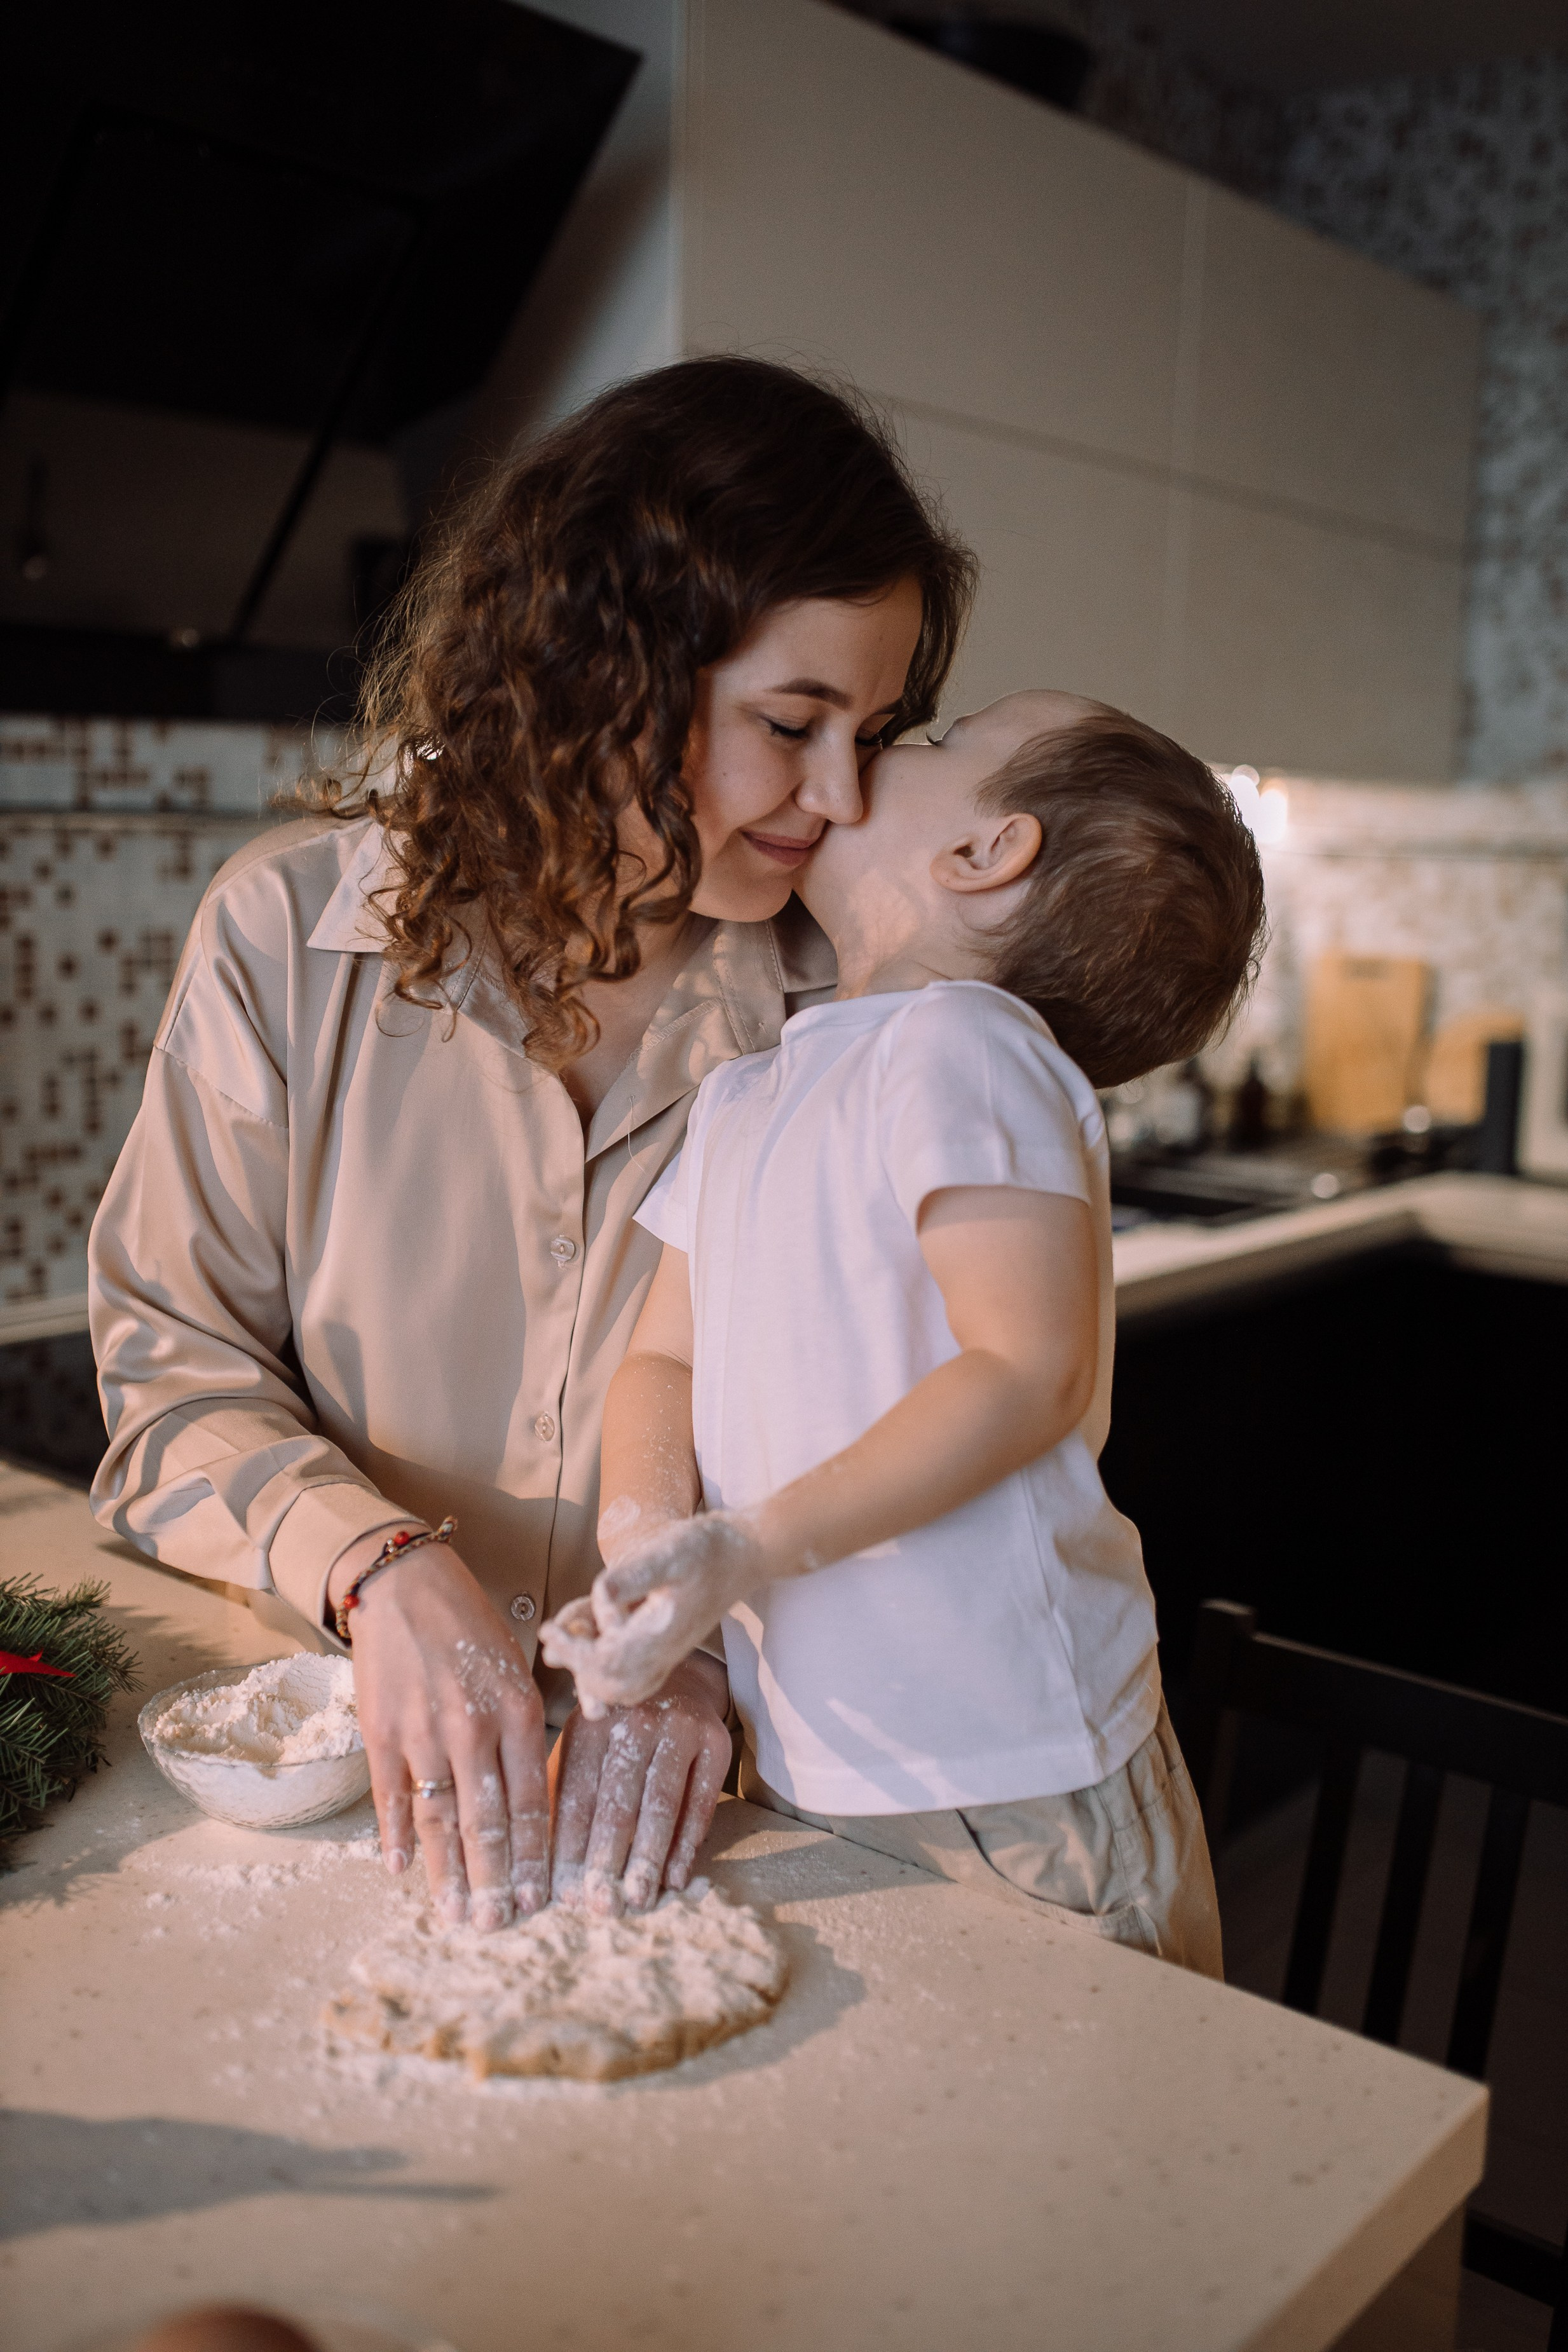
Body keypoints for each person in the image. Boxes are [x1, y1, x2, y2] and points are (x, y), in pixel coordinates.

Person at [88, 355, 975, 1930]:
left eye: (876, 731)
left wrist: (705, 1639)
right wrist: (375, 1566)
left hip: (734, 1815)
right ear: (599, 675)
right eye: (792, 721)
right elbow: (169, 1373)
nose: (839, 795)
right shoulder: (288, 939)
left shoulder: (860, 1011)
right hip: (352, 1777)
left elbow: (914, 1431)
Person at [540, 692, 1265, 1969]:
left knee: (1112, 2145)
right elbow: (661, 1358)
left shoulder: (968, 1043)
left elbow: (1026, 1369)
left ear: (988, 854)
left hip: (1024, 1772)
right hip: (829, 1754)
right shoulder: (752, 1090)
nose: (869, 753)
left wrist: (749, 1540)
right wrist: (650, 1540)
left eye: (934, 743)